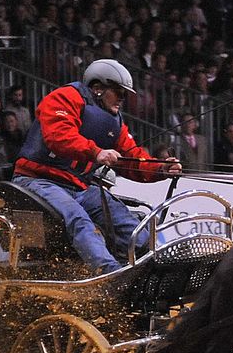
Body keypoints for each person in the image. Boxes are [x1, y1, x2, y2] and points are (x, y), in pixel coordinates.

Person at [13, 59, 181, 273]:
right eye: (118, 92)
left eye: (124, 94)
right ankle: (108, 272)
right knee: (78, 220)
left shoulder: (114, 120)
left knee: (124, 219)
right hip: (38, 181)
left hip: (78, 186)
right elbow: (59, 136)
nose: (122, 98)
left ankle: (154, 266)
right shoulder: (64, 98)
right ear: (98, 88)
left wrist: (160, 169)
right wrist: (97, 152)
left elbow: (130, 156)